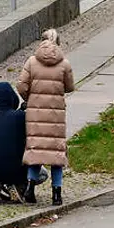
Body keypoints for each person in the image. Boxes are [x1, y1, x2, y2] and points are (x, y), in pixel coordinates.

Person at [16, 28, 75, 206]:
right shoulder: (64, 64)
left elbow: (21, 85)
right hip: (56, 113)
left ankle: (30, 189)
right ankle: (56, 194)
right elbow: (70, 86)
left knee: (36, 149)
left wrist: (30, 98)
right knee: (56, 152)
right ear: (58, 43)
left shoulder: (32, 62)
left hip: (35, 112)